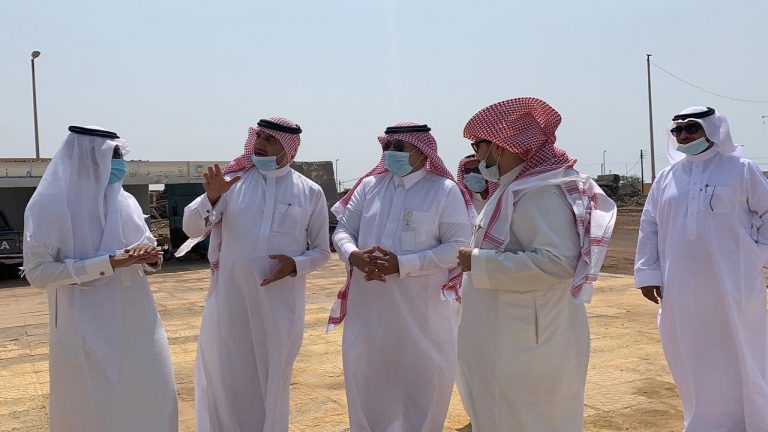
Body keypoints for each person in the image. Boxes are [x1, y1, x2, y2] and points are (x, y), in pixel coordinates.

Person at [456, 98, 616, 431]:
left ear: (502, 145)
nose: (478, 156)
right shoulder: (515, 188)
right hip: (509, 332)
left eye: (479, 145)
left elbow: (557, 263)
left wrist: (478, 262)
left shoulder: (540, 192)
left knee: (529, 417)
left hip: (527, 339)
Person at [179, 117, 330, 431]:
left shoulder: (310, 192)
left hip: (280, 304)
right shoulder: (232, 182)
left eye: (270, 139)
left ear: (289, 148)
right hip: (230, 301)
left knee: (273, 378)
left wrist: (296, 265)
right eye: (258, 136)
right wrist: (211, 197)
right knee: (226, 375)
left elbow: (321, 251)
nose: (260, 143)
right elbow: (191, 227)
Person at [23, 126, 178, 431]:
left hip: (138, 321)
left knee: (153, 396)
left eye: (121, 155)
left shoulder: (125, 201)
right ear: (88, 158)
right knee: (94, 407)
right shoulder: (50, 205)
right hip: (82, 324)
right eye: (113, 155)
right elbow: (37, 273)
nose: (120, 163)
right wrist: (106, 263)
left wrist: (151, 258)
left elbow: (148, 251)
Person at [329, 122, 473, 431]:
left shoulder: (443, 190)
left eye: (399, 147)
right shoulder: (369, 186)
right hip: (368, 308)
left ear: (421, 151)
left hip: (421, 312)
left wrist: (403, 265)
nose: (391, 153)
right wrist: (354, 255)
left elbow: (457, 248)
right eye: (387, 147)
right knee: (367, 378)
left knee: (422, 381)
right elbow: (343, 230)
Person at [635, 106, 768, 431]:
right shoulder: (666, 178)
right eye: (677, 130)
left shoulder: (741, 170)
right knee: (690, 352)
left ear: (712, 129)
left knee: (743, 348)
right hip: (680, 286)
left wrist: (758, 254)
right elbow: (649, 225)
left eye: (691, 128)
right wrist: (648, 273)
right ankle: (703, 423)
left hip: (734, 283)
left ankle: (754, 421)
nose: (683, 136)